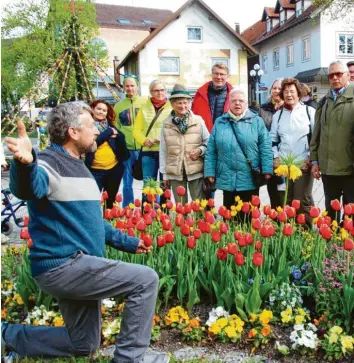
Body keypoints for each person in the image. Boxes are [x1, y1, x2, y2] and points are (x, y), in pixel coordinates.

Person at [2, 102, 158, 362]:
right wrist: (25, 164)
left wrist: (129, 242)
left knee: (83, 343)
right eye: (91, 126)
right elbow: (29, 189)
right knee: (146, 280)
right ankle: (129, 359)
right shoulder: (49, 163)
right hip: (63, 265)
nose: (97, 131)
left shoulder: (80, 166)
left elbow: (93, 222)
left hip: (78, 264)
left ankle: (7, 335)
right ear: (73, 132)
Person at [204, 88, 273, 212]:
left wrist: (267, 169)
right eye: (234, 100)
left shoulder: (257, 121)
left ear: (246, 103)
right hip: (227, 176)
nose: (237, 103)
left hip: (250, 177)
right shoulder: (220, 122)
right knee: (230, 215)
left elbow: (266, 147)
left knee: (248, 217)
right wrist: (209, 171)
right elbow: (211, 149)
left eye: (241, 100)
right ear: (229, 103)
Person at [310, 60, 354, 222]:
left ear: (348, 75)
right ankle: (332, 245)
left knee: (351, 213)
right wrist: (315, 161)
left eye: (339, 74)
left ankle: (348, 245)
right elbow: (317, 134)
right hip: (328, 169)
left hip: (350, 169)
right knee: (331, 212)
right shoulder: (324, 101)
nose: (335, 78)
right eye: (331, 75)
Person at [271, 78, 315, 223]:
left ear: (299, 93)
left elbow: (315, 138)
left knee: (302, 200)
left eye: (292, 91)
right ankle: (287, 236)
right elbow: (273, 140)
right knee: (286, 200)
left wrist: (310, 158)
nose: (289, 94)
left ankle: (306, 235)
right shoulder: (278, 115)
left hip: (303, 164)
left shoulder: (309, 111)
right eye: (286, 91)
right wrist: (275, 157)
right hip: (283, 166)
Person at [160, 84, 210, 203]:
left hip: (195, 170)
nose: (183, 106)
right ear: (172, 104)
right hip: (175, 171)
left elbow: (208, 141)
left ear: (189, 103)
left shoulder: (198, 121)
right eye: (179, 103)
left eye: (185, 102)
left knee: (199, 205)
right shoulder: (166, 124)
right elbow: (163, 150)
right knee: (181, 208)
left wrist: (200, 150)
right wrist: (164, 174)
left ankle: (199, 222)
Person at [133, 80, 172, 204]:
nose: (159, 93)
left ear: (165, 91)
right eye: (156, 90)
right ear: (151, 92)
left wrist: (165, 138)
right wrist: (144, 141)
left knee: (164, 185)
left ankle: (164, 216)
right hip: (148, 153)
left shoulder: (171, 107)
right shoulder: (144, 108)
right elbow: (136, 130)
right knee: (148, 186)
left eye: (162, 90)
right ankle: (148, 216)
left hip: (166, 152)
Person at [85, 99, 129, 209]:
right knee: (92, 201)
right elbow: (91, 144)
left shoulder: (111, 127)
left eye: (104, 110)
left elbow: (122, 143)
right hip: (94, 170)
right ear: (92, 110)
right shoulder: (87, 127)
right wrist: (107, 134)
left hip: (113, 169)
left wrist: (118, 136)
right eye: (98, 109)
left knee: (110, 202)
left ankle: (109, 224)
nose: (101, 112)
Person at [115, 75, 147, 207]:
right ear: (123, 88)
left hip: (144, 148)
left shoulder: (146, 102)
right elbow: (117, 126)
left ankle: (149, 208)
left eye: (132, 85)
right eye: (127, 86)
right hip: (127, 148)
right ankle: (128, 208)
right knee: (127, 182)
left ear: (137, 86)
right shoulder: (118, 106)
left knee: (148, 180)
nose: (130, 88)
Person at [259, 78, 284, 208]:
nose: (277, 91)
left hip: (286, 154)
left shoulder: (290, 107)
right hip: (269, 155)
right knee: (273, 190)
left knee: (286, 192)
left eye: (280, 88)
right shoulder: (263, 109)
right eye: (274, 88)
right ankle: (275, 221)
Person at [192, 62, 233, 133]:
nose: (219, 77)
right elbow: (193, 115)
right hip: (203, 136)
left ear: (227, 76)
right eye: (216, 73)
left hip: (226, 136)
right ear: (211, 75)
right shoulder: (199, 94)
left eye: (222, 74)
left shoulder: (234, 96)